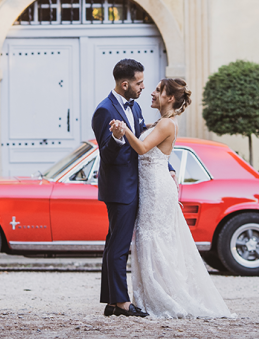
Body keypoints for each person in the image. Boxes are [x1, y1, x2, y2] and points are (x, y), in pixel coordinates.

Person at [109, 78, 233, 319]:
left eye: (158, 90)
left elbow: (143, 149)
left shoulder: (167, 124)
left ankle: (164, 295)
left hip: (156, 189)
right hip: (150, 186)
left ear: (170, 98)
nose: (152, 93)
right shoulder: (160, 122)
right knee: (148, 239)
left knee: (154, 239)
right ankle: (147, 295)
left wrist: (124, 129)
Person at [91, 59, 177, 318]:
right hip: (120, 188)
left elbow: (147, 144)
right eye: (139, 83)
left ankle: (111, 300)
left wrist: (168, 166)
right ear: (125, 84)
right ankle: (121, 303)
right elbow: (107, 155)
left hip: (138, 186)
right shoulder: (104, 111)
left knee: (113, 245)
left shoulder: (136, 107)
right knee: (118, 247)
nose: (143, 87)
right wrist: (117, 137)